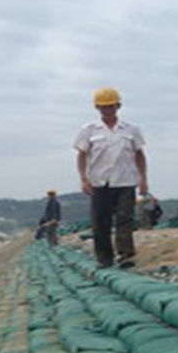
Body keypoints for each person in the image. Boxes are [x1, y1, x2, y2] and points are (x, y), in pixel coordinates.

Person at [74, 86, 149, 268]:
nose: (107, 110)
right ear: (97, 109)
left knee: (125, 219)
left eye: (110, 106)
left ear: (118, 106)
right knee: (101, 222)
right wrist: (84, 179)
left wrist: (143, 179)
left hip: (125, 181)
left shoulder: (131, 129)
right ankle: (104, 258)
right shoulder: (89, 130)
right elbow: (81, 155)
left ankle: (126, 254)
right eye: (103, 107)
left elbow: (139, 155)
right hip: (100, 182)